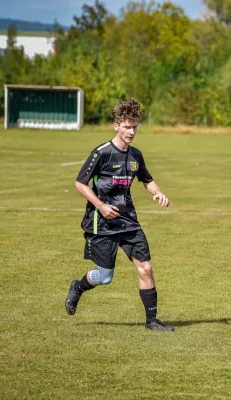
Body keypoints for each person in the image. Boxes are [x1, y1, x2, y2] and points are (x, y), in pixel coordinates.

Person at [65, 98, 174, 331]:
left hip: (128, 221)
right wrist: (101, 206)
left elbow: (147, 180)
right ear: (116, 126)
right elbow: (80, 183)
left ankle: (152, 321)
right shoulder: (101, 153)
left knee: (146, 268)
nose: (131, 131)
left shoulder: (136, 155)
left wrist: (158, 192)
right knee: (105, 277)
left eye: (134, 126)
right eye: (126, 126)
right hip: (102, 222)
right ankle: (78, 286)